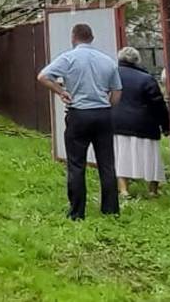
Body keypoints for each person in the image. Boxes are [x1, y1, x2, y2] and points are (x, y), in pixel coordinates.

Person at [37, 23, 122, 220]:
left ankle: (77, 212)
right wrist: (107, 107)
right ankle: (110, 210)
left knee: (76, 164)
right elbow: (117, 91)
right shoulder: (107, 61)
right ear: (92, 38)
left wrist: (61, 91)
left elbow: (43, 76)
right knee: (107, 163)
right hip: (102, 114)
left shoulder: (68, 58)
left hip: (79, 114)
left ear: (73, 38)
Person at [113, 47, 170, 197]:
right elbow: (158, 104)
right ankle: (152, 190)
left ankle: (124, 190)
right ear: (137, 60)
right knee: (150, 156)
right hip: (145, 124)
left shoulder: (112, 75)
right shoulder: (147, 79)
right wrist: (165, 126)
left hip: (118, 123)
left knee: (121, 156)